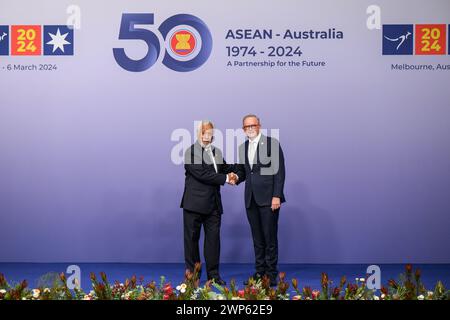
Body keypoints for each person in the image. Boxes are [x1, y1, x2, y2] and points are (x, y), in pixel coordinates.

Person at [180, 120, 238, 285]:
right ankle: (193, 277)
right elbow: (202, 174)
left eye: (211, 133)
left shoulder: (216, 152)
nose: (208, 135)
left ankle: (213, 276)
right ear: (199, 133)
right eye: (205, 132)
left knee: (213, 242)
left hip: (213, 205)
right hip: (194, 204)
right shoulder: (190, 152)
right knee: (191, 242)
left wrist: (242, 170)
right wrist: (226, 178)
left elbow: (226, 167)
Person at [235, 114, 286, 286]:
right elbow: (244, 173)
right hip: (250, 199)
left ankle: (271, 274)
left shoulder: (272, 143)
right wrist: (234, 178)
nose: (249, 128)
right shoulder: (242, 147)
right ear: (243, 130)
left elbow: (279, 172)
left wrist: (276, 195)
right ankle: (259, 272)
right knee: (257, 239)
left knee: (269, 238)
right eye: (246, 126)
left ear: (259, 126)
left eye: (252, 125)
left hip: (269, 198)